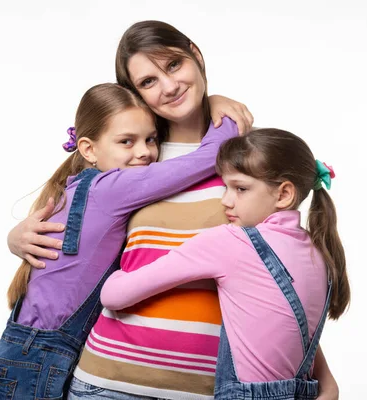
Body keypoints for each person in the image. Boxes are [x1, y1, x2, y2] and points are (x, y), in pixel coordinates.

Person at [8, 21, 339, 400]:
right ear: (136, 95)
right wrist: (16, 238)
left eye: (174, 65)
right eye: (148, 82)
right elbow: (77, 241)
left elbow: (279, 278)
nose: (168, 86)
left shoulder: (248, 161)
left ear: (196, 56)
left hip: (207, 390)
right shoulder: (134, 159)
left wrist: (318, 374)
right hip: (105, 382)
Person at [0, 82, 239, 399]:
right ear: (89, 149)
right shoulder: (111, 188)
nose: (144, 152)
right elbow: (201, 161)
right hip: (39, 358)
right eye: (127, 141)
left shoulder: (82, 185)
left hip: (28, 351)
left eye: (151, 139)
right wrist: (222, 113)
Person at [100, 128, 351, 399]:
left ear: (283, 195)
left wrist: (113, 268)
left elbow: (114, 296)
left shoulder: (232, 242)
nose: (225, 200)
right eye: (226, 187)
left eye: (240, 188)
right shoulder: (317, 249)